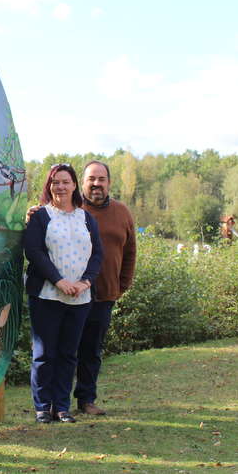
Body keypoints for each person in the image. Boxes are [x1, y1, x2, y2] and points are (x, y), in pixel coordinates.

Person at [23, 163, 102, 424]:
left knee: (69, 354)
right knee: (45, 353)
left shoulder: (86, 218)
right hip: (47, 295)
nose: (60, 186)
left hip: (80, 298)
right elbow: (34, 252)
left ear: (74, 185)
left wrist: (84, 282)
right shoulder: (40, 216)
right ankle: (43, 407)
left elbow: (98, 254)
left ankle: (62, 406)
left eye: (65, 181)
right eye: (55, 182)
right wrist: (59, 281)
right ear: (49, 186)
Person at [73, 160, 136, 415]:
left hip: (104, 295)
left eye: (101, 179)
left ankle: (86, 400)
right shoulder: (70, 209)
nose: (96, 184)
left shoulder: (122, 213)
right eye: (91, 179)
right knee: (65, 349)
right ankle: (55, 402)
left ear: (109, 183)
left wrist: (121, 287)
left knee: (91, 351)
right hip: (70, 294)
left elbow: (130, 252)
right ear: (83, 183)